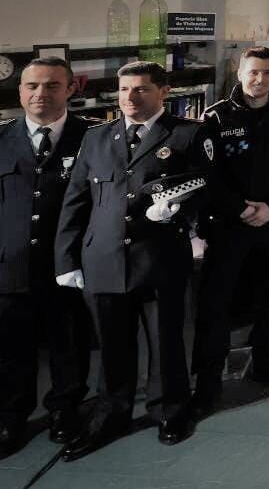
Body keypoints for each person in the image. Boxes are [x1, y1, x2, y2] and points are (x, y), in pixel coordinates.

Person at [55, 61, 212, 460]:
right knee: (111, 346)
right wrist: (66, 259)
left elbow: (206, 189)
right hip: (103, 257)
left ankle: (170, 410)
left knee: (166, 341)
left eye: (141, 89)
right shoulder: (96, 138)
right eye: (124, 90)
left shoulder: (186, 135)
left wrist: (179, 211)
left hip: (159, 256)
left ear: (163, 92)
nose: (130, 97)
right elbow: (75, 201)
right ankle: (112, 413)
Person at [0, 57, 93, 460]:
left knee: (68, 344)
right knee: (9, 349)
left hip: (66, 265)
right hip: (6, 263)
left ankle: (65, 411)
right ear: (20, 91)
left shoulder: (92, 136)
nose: (41, 94)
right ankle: (9, 418)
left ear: (71, 89)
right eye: (32, 86)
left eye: (52, 86)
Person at [195, 46, 269, 408]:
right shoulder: (216, 117)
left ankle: (268, 363)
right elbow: (207, 174)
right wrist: (239, 208)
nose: (260, 79)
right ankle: (208, 380)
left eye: (266, 72)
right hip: (229, 226)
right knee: (217, 304)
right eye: (253, 72)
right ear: (240, 73)